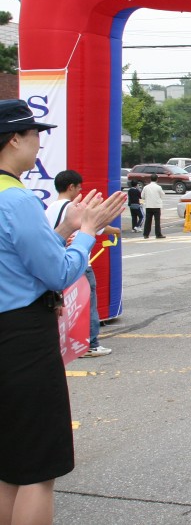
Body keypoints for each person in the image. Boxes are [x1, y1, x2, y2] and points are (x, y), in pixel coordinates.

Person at [0, 99, 126, 525]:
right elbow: (56, 273)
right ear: (15, 139)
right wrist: (86, 234)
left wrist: (66, 228)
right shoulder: (15, 199)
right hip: (21, 339)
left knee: (7, 466)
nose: (39, 145)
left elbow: (17, 260)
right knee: (37, 468)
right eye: (36, 135)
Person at [45, 170, 123, 358]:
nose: (80, 190)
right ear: (71, 187)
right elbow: (96, 226)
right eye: (79, 187)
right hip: (78, 263)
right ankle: (91, 344)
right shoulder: (74, 208)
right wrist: (115, 230)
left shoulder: (49, 209)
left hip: (58, 264)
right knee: (86, 305)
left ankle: (68, 342)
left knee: (66, 307)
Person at [142, 173, 165, 239]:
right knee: (157, 221)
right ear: (157, 179)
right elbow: (162, 195)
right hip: (156, 206)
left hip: (148, 205)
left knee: (148, 221)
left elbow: (142, 196)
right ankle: (158, 234)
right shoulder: (158, 187)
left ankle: (146, 234)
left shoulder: (146, 187)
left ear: (150, 179)